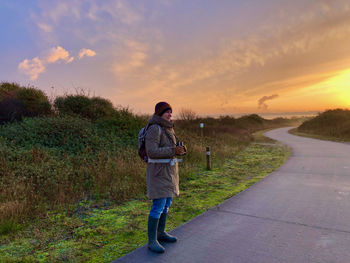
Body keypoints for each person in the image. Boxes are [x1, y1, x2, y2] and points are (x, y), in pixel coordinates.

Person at [145, 101, 186, 253]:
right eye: (167, 111)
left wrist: (179, 150)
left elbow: (170, 150)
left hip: (169, 172)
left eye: (171, 111)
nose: (170, 114)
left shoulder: (168, 128)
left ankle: (161, 234)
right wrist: (173, 150)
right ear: (160, 113)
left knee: (166, 203)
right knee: (158, 206)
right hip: (158, 173)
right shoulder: (154, 128)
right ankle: (152, 241)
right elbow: (152, 151)